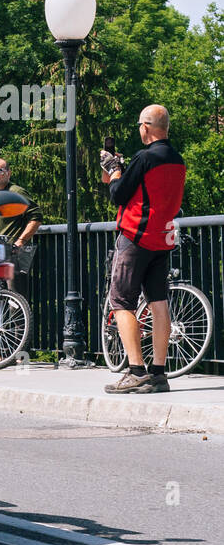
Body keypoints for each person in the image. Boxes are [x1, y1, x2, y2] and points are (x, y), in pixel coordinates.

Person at [100, 104, 186, 394]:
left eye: (139, 125)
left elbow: (118, 194)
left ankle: (136, 371)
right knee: (158, 302)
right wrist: (121, 170)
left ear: (146, 127)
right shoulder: (177, 159)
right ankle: (159, 374)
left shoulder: (145, 157)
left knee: (121, 301)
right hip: (161, 239)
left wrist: (113, 170)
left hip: (135, 237)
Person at [0, 159, 42, 293]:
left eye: (0, 170)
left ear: (9, 173)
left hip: (14, 253)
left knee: (15, 301)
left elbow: (36, 217)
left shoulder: (16, 192)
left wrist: (20, 243)